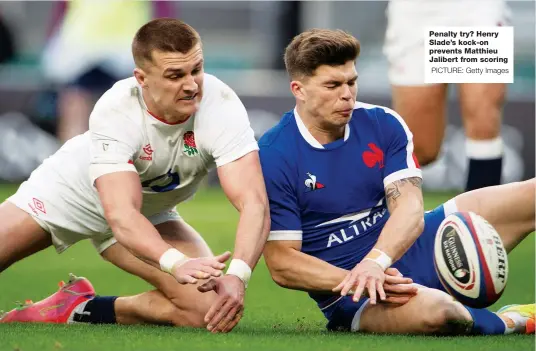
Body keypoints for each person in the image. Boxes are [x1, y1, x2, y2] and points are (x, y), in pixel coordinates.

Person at [0, 18, 270, 334]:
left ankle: (77, 307)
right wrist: (176, 262)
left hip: (149, 213)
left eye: (196, 69)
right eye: (175, 75)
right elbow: (121, 215)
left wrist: (238, 274)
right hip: (70, 193)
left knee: (210, 311)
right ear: (142, 78)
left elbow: (254, 202)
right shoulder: (116, 110)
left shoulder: (220, 104)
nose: (191, 85)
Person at [259, 28, 535, 335]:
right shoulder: (274, 155)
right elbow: (282, 263)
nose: (347, 94)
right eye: (332, 85)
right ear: (298, 89)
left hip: (415, 244)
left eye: (352, 82)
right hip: (358, 294)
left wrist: (377, 261)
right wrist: (362, 278)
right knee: (442, 313)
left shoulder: (382, 122)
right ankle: (513, 320)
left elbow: (409, 205)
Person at [383, 0, 510, 191]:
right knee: (422, 149)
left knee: (483, 118)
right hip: (415, 11)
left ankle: (480, 217)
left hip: (476, 7)